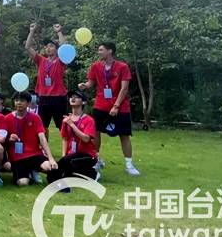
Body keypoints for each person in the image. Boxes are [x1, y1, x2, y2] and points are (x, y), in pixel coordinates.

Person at [78, 42, 140, 176]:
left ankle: (129, 165)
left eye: (101, 50)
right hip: (101, 105)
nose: (99, 52)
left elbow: (124, 88)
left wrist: (116, 106)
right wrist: (85, 85)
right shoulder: (95, 66)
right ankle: (96, 160)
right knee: (95, 132)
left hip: (121, 107)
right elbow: (91, 83)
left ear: (110, 51)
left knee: (124, 135)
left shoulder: (122, 67)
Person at [47, 90, 100, 190]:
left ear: (83, 102)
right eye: (71, 97)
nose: (73, 99)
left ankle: (92, 174)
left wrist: (72, 124)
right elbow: (65, 139)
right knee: (58, 168)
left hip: (87, 155)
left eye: (77, 97)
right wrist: (64, 155)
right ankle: (58, 184)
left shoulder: (89, 120)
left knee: (67, 163)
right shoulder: (66, 119)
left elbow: (86, 139)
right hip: (71, 155)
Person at [25, 23, 67, 140]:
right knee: (43, 126)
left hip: (58, 97)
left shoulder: (61, 61)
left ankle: (66, 148)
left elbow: (64, 48)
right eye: (47, 46)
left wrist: (59, 32)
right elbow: (28, 47)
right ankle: (44, 148)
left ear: (57, 49)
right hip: (44, 97)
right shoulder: (41, 60)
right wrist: (32, 31)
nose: (48, 48)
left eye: (51, 46)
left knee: (63, 126)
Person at [6, 92, 58, 186]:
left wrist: (51, 158)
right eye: (16, 100)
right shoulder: (7, 119)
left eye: (22, 101)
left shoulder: (35, 118)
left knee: (49, 167)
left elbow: (42, 137)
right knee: (23, 183)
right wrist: (10, 139)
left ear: (28, 103)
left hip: (34, 153)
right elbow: (3, 139)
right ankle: (30, 171)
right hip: (17, 157)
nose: (19, 103)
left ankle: (35, 169)